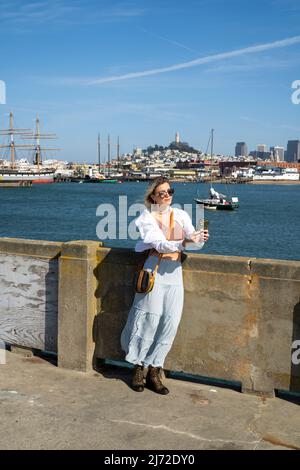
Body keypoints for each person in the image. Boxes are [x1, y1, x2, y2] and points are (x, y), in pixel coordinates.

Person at [120, 177, 209, 394]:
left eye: (170, 191)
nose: (167, 195)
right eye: (162, 193)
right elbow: (159, 243)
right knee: (148, 320)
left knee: (170, 322)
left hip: (175, 272)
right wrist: (185, 242)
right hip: (155, 271)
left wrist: (199, 238)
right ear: (152, 197)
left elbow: (193, 245)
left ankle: (155, 369)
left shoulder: (181, 215)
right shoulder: (146, 218)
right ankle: (139, 368)